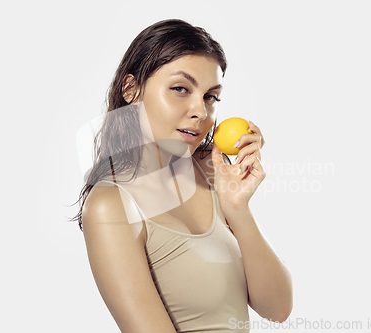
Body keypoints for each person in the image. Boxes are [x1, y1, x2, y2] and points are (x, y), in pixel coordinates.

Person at [70, 19, 293, 332]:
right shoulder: (111, 205)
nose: (200, 112)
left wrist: (237, 209)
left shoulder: (210, 169)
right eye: (180, 89)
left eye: (210, 97)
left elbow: (277, 310)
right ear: (131, 88)